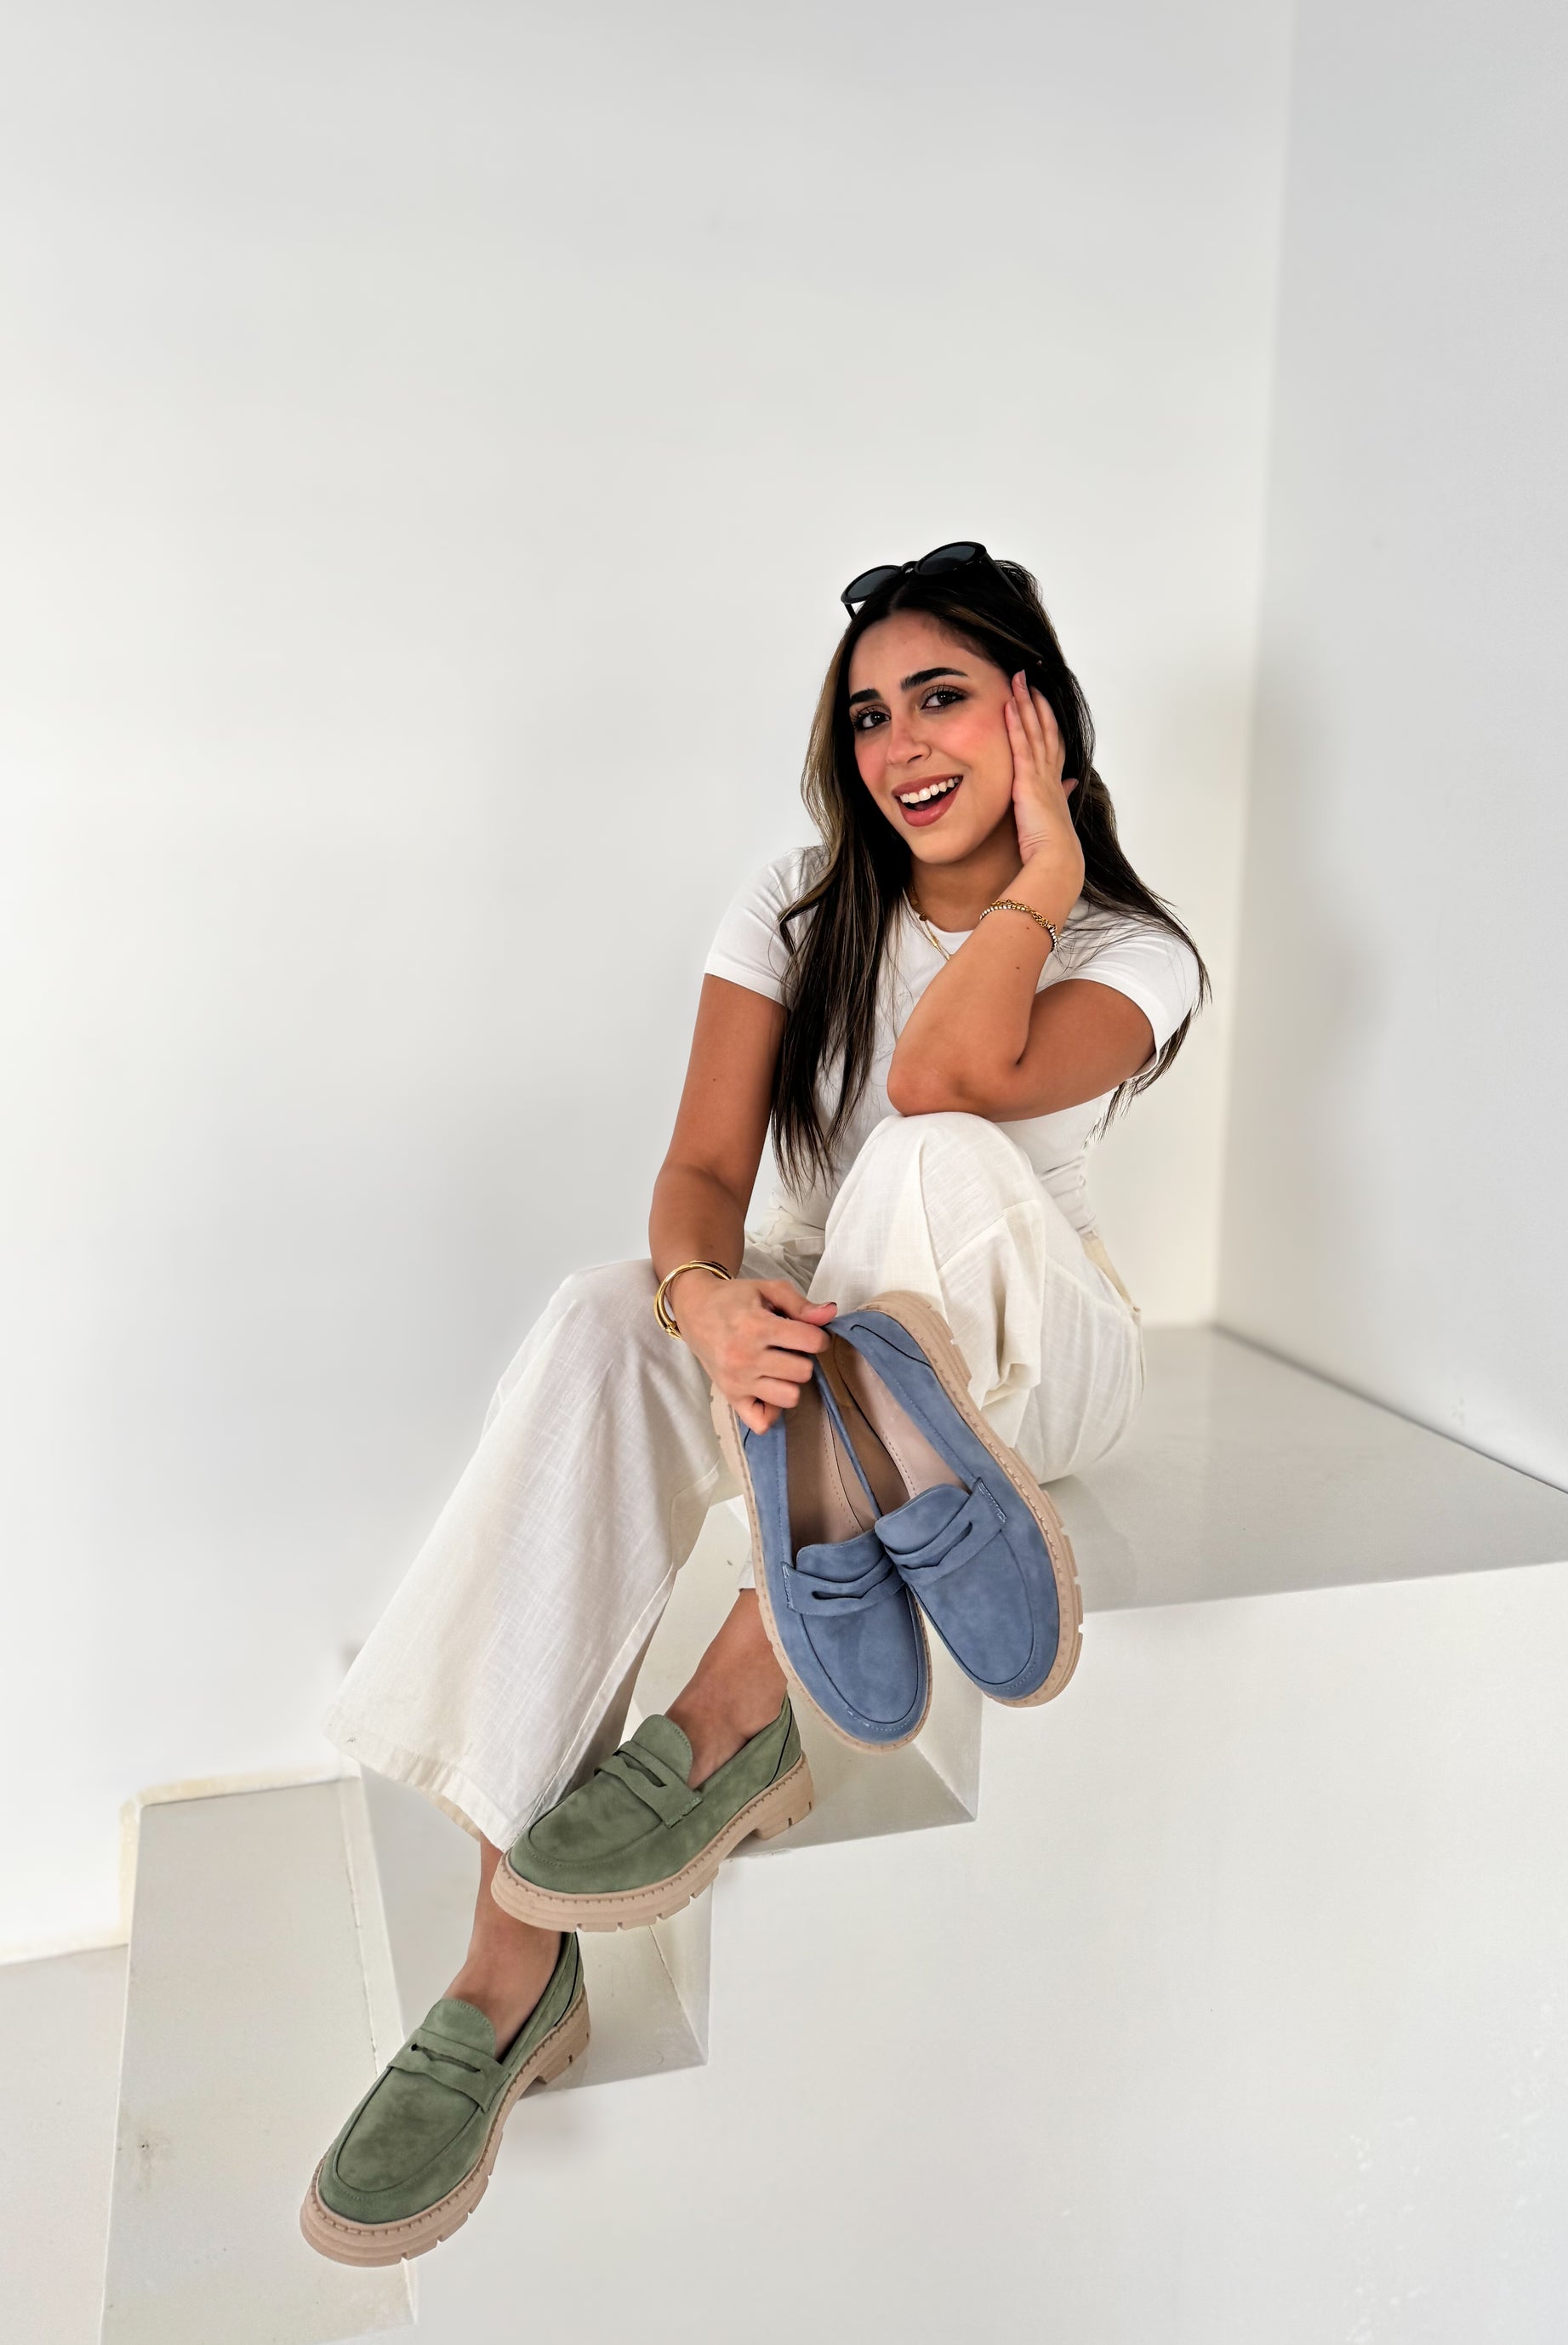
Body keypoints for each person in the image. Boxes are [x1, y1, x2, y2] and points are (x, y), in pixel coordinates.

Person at [302, 541, 1206, 2262]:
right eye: (868, 714)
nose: (896, 744)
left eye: (939, 695)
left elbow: (946, 1083)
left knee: (926, 1163)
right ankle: (510, 1960)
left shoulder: (1128, 945)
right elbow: (707, 1167)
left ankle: (743, 1691)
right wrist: (702, 1296)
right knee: (596, 1317)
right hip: (810, 1325)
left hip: (1026, 1342)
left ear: (1036, 712)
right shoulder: (798, 899)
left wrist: (1046, 868)